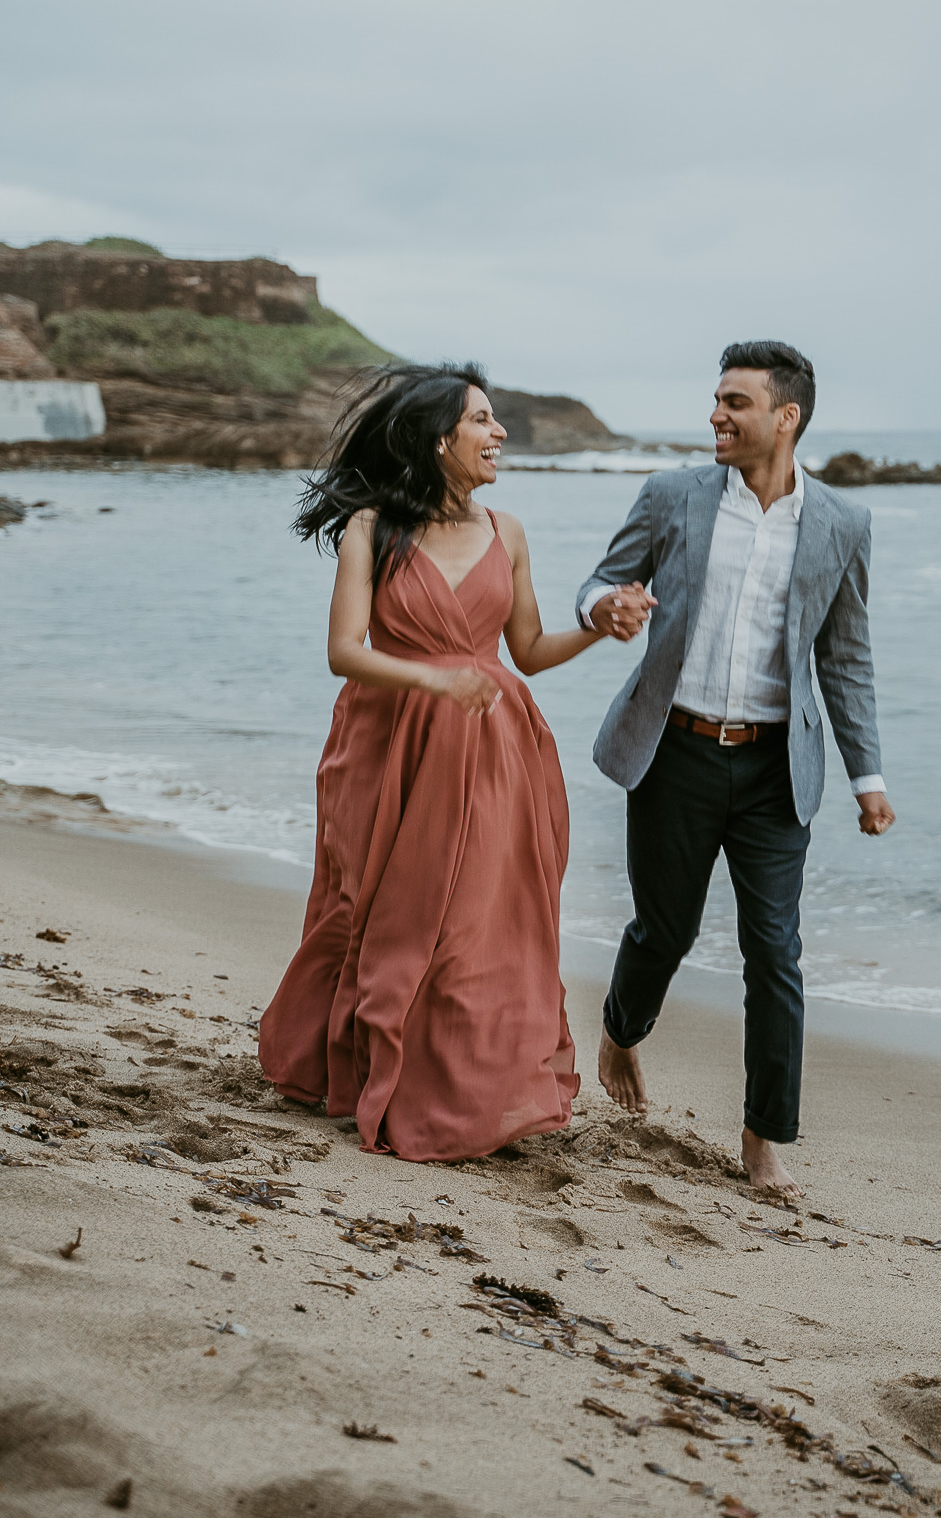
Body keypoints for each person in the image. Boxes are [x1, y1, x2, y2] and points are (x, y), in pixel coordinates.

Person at [258, 363, 640, 1161]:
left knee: (480, 921)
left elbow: (528, 651)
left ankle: (466, 1088)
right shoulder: (370, 528)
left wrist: (602, 624)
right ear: (439, 438)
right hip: (386, 746)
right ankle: (358, 1067)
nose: (498, 433)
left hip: (497, 747)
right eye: (482, 420)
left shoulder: (509, 532)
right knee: (375, 913)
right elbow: (343, 652)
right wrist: (435, 677)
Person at [576, 340, 895, 1195]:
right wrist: (605, 607)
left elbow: (847, 658)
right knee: (663, 932)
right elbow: (604, 578)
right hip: (673, 751)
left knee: (775, 955)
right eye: (715, 399)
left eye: (735, 402)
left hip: (773, 770)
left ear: (785, 417)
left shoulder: (841, 525)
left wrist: (869, 776)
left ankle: (763, 1141)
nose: (716, 415)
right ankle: (620, 1026)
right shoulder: (673, 497)